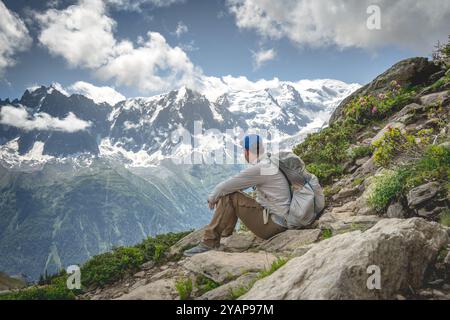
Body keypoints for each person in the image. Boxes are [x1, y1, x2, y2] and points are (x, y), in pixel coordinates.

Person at [184, 134, 291, 256]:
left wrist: (212, 197)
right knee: (232, 195)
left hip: (274, 225)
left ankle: (210, 242)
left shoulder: (261, 168)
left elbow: (226, 187)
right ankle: (224, 236)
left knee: (229, 196)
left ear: (246, 151)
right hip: (280, 219)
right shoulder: (269, 162)